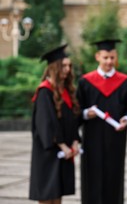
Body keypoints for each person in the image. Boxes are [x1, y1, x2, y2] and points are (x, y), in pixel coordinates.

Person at [76, 39, 127, 204]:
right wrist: (85, 113)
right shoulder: (85, 82)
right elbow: (76, 110)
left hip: (115, 139)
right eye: (105, 57)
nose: (109, 61)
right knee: (91, 175)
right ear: (97, 56)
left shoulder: (124, 82)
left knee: (114, 175)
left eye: (112, 57)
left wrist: (126, 118)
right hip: (92, 138)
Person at [29, 44, 81, 204]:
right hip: (48, 153)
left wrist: (75, 140)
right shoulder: (45, 92)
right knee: (47, 196)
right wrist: (62, 145)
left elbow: (72, 120)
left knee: (58, 195)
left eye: (69, 66)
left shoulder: (65, 91)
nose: (67, 69)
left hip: (62, 152)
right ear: (54, 67)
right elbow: (45, 124)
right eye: (63, 65)